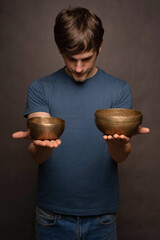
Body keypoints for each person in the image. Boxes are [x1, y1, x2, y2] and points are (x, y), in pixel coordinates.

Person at [12, 6, 150, 240]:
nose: (78, 68)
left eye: (86, 59)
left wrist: (118, 143)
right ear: (59, 48)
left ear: (100, 46)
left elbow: (121, 155)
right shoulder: (40, 88)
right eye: (71, 58)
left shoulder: (119, 89)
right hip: (51, 218)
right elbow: (37, 155)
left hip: (102, 218)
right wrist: (42, 145)